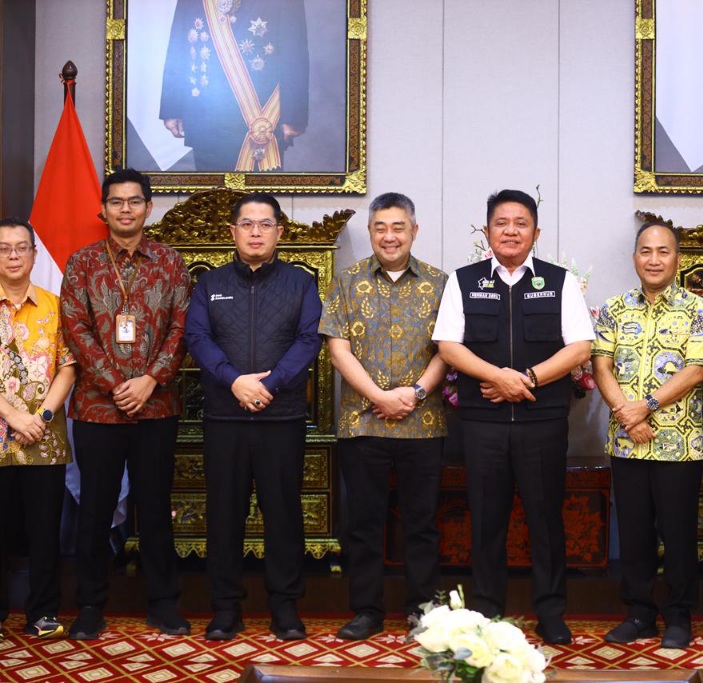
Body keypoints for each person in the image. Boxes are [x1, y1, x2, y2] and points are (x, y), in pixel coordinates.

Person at [432, 189, 594, 645]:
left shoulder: (558, 282)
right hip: (481, 424)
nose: (510, 230)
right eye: (501, 222)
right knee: (485, 520)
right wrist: (496, 378)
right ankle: (486, 611)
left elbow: (580, 346)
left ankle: (551, 611)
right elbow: (448, 345)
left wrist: (527, 378)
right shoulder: (462, 281)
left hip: (542, 423)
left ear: (536, 233)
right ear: (487, 232)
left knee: (546, 520)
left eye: (520, 223)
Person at [60, 168, 192, 640]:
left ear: (148, 207)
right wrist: (119, 383)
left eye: (134, 201)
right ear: (104, 209)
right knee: (93, 509)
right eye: (116, 202)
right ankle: (91, 605)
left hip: (157, 407)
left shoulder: (172, 263)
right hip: (97, 408)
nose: (125, 210)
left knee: (156, 506)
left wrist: (149, 381)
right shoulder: (82, 263)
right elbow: (75, 329)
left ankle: (163, 603)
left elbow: (182, 329)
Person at [185, 192, 322, 641]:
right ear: (233, 232)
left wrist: (269, 384)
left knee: (283, 513)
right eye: (247, 224)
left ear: (280, 231)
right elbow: (198, 338)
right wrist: (234, 382)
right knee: (223, 514)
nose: (257, 232)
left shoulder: (301, 283)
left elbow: (308, 341)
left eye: (266, 224)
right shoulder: (210, 284)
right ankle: (225, 609)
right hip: (225, 418)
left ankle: (284, 607)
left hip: (280, 417)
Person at [319, 192, 448, 640]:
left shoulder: (440, 282)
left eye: (398, 227)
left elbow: (447, 351)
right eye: (380, 228)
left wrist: (412, 394)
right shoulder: (346, 282)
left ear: (414, 230)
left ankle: (423, 611)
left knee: (422, 523)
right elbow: (338, 350)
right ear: (371, 232)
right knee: (364, 522)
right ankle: (366, 610)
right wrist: (379, 395)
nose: (389, 236)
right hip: (362, 421)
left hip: (423, 422)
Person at [592, 222, 703, 650]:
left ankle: (679, 615)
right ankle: (640, 613)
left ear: (677, 259)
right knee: (636, 533)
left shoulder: (698, 309)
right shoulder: (614, 308)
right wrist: (628, 416)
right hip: (627, 440)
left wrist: (646, 407)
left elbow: (696, 370)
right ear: (635, 258)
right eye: (646, 251)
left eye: (664, 251)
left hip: (678, 444)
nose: (655, 259)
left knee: (678, 533)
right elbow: (601, 366)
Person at [0, 218, 77, 639]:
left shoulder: (55, 305)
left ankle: (43, 613)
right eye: (4, 248)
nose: (13, 255)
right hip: (0, 434)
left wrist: (42, 418)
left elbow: (68, 368)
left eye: (21, 248)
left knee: (44, 530)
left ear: (34, 254)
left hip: (43, 440)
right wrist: (13, 417)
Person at [159, 0, 310, 172]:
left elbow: (294, 52)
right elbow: (179, 43)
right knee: (212, 195)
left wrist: (293, 116)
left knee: (259, 196)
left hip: (261, 118)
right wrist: (172, 107)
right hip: (204, 116)